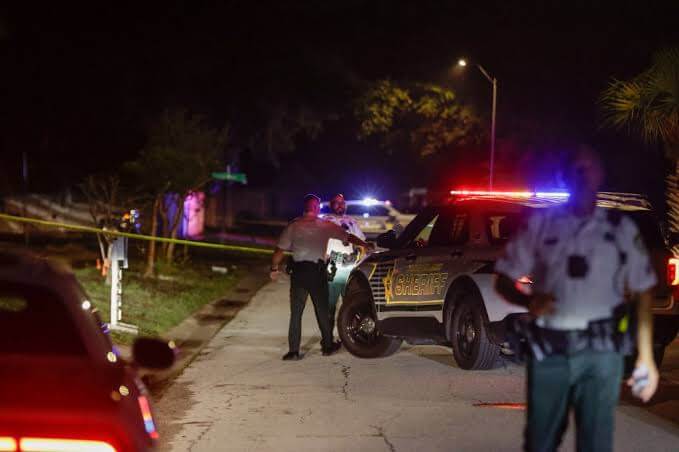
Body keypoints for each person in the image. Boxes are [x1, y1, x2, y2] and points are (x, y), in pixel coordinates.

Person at [494, 145, 659, 452]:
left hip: (601, 353)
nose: (582, 174)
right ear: (564, 177)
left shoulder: (620, 230)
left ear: (600, 174)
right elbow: (502, 279)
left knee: (595, 443)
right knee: (540, 443)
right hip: (550, 351)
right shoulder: (540, 225)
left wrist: (646, 358)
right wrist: (529, 302)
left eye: (588, 168)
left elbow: (643, 289)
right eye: (575, 169)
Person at [270, 194, 373, 361]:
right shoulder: (325, 225)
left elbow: (279, 250)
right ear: (317, 208)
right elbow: (348, 237)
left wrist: (274, 268)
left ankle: (294, 351)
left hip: (299, 273)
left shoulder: (294, 225)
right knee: (322, 311)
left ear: (304, 207)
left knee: (296, 313)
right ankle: (327, 346)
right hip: (317, 272)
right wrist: (365, 245)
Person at [323, 193, 366, 335]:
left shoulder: (351, 222)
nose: (340, 205)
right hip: (332, 268)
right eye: (337, 202)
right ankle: (327, 340)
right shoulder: (325, 221)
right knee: (330, 306)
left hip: (349, 268)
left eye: (342, 202)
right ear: (331, 205)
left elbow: (362, 243)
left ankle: (350, 337)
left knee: (351, 306)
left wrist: (359, 257)